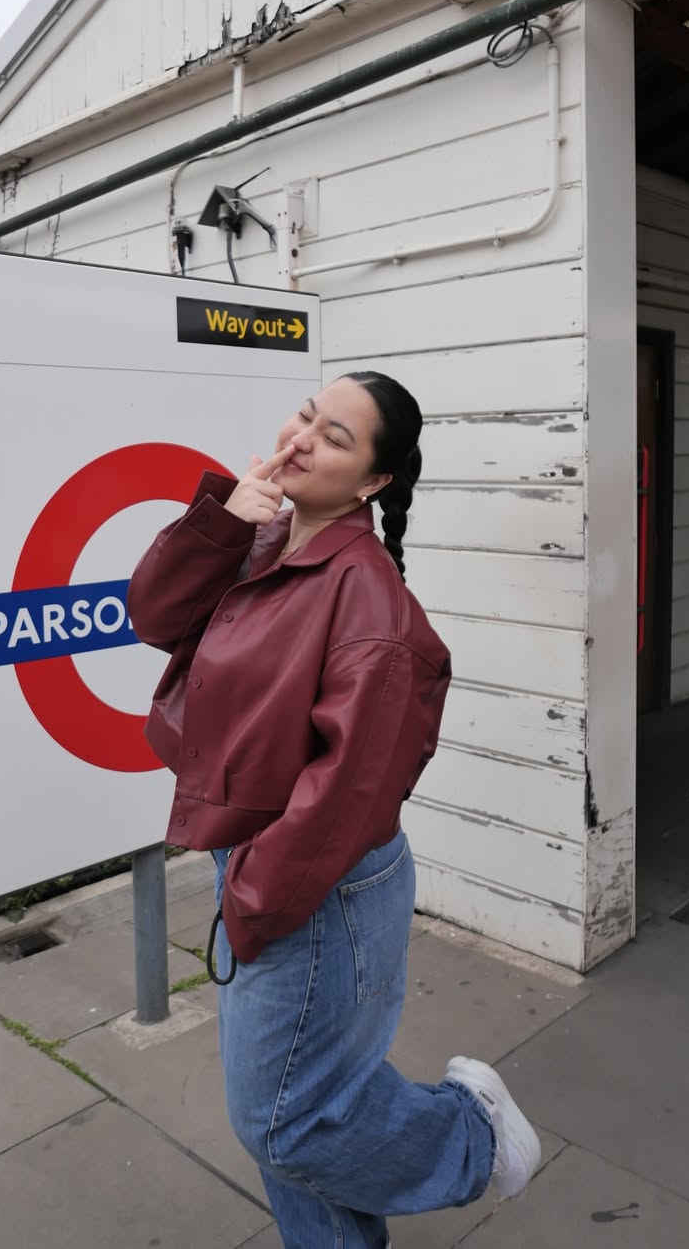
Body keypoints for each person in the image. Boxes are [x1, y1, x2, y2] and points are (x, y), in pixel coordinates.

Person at [128, 371, 541, 1248]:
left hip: (316, 881)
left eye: (336, 438)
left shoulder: (368, 599)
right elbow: (155, 615)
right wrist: (223, 521)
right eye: (308, 415)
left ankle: (472, 1133)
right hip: (263, 857)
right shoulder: (263, 539)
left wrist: (254, 897)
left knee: (287, 1122)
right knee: (298, 1134)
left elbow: (351, 789)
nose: (303, 438)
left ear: (373, 482)